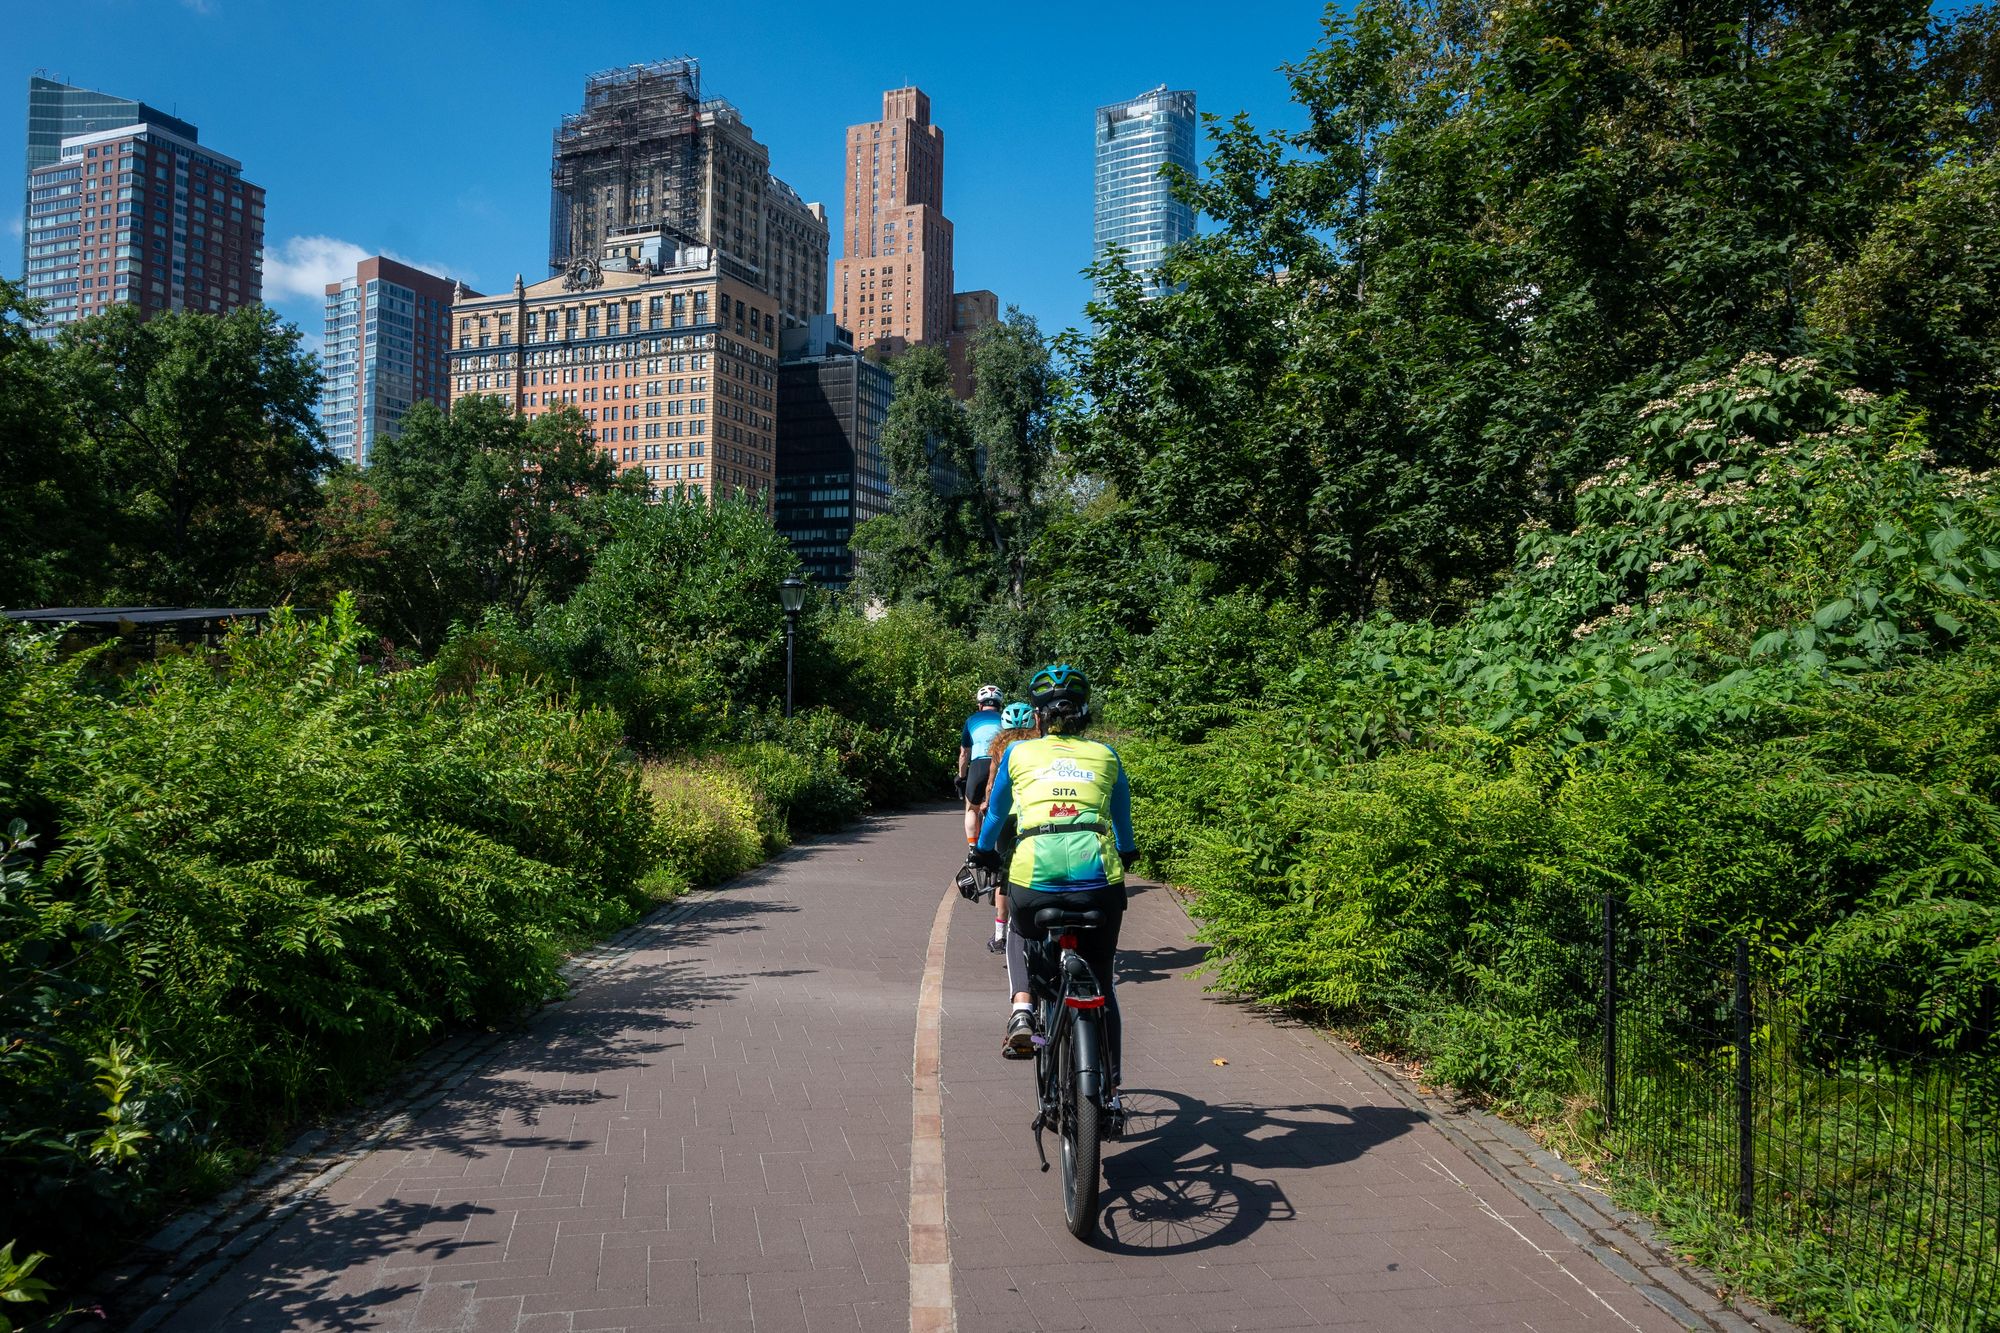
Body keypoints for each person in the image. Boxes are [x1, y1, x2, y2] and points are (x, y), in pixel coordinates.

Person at [971, 665, 1136, 1092]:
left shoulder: (1018, 755)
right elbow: (1124, 827)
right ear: (1085, 715)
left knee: (1021, 937)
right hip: (1099, 884)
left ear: (1039, 718)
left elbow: (993, 816)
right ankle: (1110, 1091)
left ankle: (1023, 1011)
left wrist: (984, 851)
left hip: (1033, 881)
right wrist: (1127, 852)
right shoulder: (1106, 755)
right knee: (1102, 980)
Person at [978, 702, 1040, 954]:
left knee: (1003, 874)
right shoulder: (1038, 747)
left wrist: (986, 804)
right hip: (1031, 816)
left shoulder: (1000, 748)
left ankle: (1000, 934)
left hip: (1005, 817)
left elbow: (992, 784)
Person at [955, 684, 1005, 847]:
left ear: (980, 704)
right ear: (999, 704)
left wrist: (962, 777)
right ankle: (998, 847)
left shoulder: (971, 721)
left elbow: (964, 754)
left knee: (971, 809)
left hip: (977, 765)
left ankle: (972, 848)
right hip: (999, 764)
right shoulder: (1004, 719)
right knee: (999, 809)